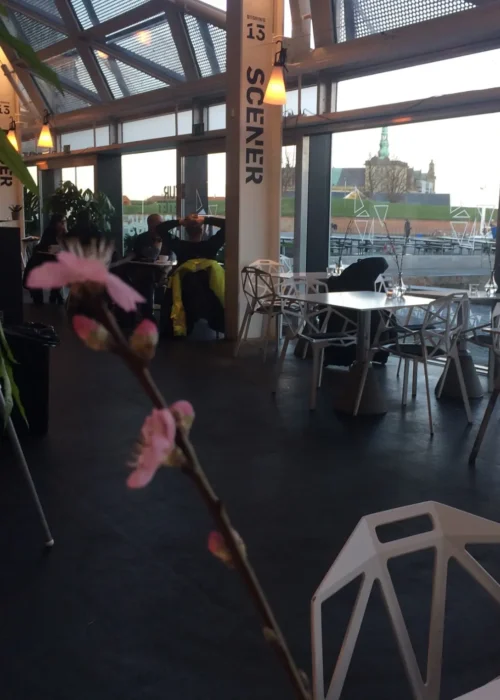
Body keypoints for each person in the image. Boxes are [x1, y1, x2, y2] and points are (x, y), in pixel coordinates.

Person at [23, 214, 67, 305]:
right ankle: (50, 295)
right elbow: (46, 246)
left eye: (64, 222)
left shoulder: (63, 232)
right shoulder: (50, 231)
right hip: (43, 259)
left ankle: (55, 294)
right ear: (55, 223)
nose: (63, 224)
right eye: (61, 222)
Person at [156, 213, 225, 265]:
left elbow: (160, 228)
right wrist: (205, 220)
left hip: (184, 280)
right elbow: (227, 224)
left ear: (186, 231)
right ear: (201, 231)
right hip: (208, 280)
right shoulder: (211, 247)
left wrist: (180, 221)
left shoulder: (180, 247)